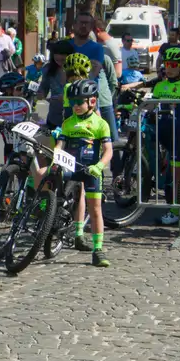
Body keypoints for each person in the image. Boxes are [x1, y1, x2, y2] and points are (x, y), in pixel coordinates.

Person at [35, 77, 113, 268]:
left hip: (91, 170)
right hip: (71, 167)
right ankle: (46, 210)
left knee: (95, 210)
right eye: (73, 102)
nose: (76, 106)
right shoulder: (68, 123)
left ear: (92, 102)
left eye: (80, 102)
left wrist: (100, 166)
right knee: (47, 177)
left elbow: (108, 150)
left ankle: (98, 249)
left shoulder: (101, 124)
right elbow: (60, 145)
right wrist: (56, 160)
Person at [144, 45, 180, 226]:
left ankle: (177, 209)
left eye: (174, 64)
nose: (169, 67)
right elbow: (151, 106)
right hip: (161, 130)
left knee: (176, 174)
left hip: (178, 132)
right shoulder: (159, 85)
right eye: (167, 63)